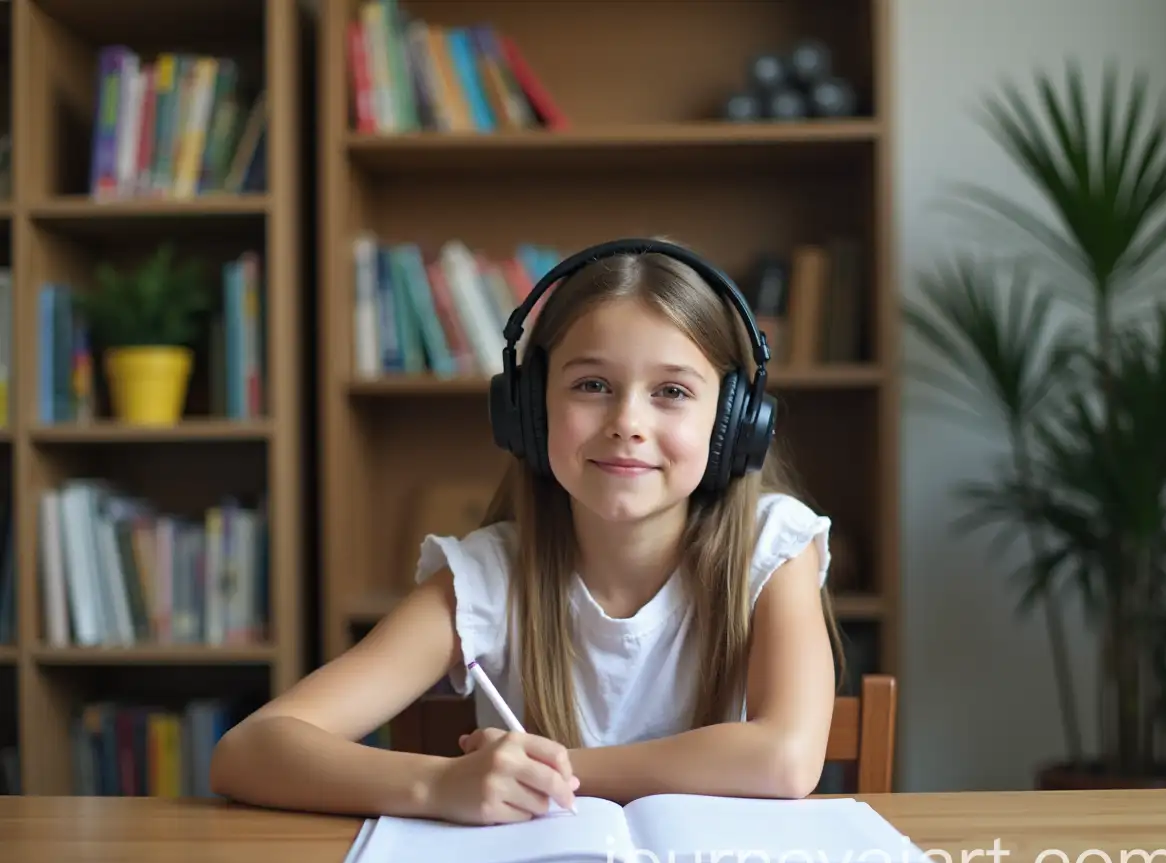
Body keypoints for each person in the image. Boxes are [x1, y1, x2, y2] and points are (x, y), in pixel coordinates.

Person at [209, 238, 843, 825]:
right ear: (530, 410)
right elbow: (250, 749)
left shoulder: (773, 545)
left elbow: (785, 758)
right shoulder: (487, 578)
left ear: (734, 424)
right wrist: (438, 786)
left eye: (672, 391)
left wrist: (551, 772)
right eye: (591, 385)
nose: (627, 421)